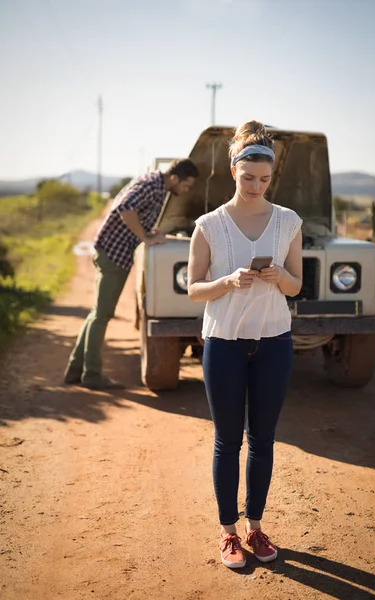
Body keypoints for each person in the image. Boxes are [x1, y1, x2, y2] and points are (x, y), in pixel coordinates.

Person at [188, 121, 302, 568]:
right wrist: (227, 281)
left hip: (274, 342)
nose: (256, 186)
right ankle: (228, 533)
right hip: (224, 343)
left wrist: (281, 277)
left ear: (271, 178)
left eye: (264, 179)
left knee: (264, 439)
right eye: (248, 176)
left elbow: (295, 287)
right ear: (233, 170)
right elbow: (194, 289)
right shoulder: (209, 225)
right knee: (227, 440)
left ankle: (255, 528)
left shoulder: (288, 221)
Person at [64, 159, 199, 390]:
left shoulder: (156, 186)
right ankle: (92, 374)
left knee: (98, 312)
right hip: (112, 254)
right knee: (102, 315)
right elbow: (125, 208)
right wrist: (145, 238)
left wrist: (148, 231)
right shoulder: (150, 184)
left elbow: (136, 212)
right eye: (186, 185)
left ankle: (75, 370)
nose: (186, 190)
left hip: (112, 252)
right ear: (175, 178)